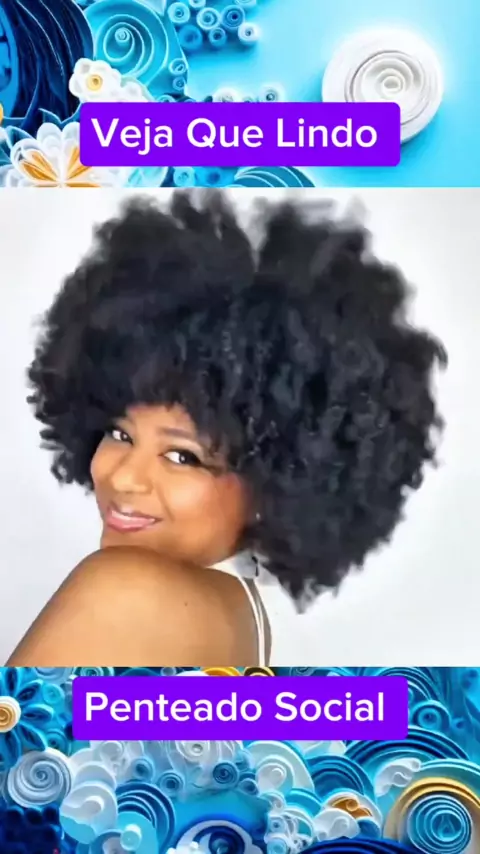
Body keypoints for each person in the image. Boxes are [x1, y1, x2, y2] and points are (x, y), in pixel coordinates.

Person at [7, 190, 447, 666]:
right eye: (120, 434)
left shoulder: (126, 594)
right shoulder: (259, 616)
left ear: (274, 484)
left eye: (183, 456)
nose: (124, 477)